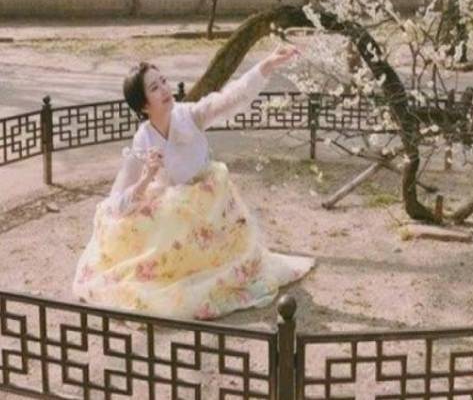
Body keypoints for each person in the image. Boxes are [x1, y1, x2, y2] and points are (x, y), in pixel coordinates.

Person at [72, 43, 316, 320]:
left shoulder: (189, 114)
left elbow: (231, 97)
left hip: (209, 202)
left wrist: (267, 65)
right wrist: (147, 178)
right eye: (154, 88)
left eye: (163, 81)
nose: (165, 90)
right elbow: (117, 201)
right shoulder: (144, 138)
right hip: (173, 208)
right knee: (130, 229)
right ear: (143, 105)